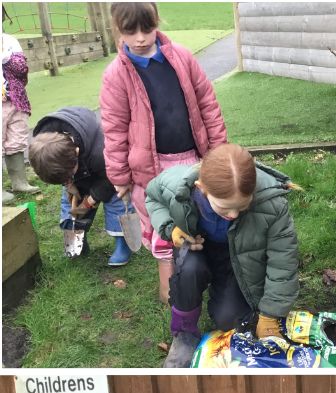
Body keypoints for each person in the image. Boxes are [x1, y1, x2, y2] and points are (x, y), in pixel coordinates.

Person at [100, 2, 227, 301]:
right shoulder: (116, 75)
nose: (141, 38)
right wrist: (120, 176)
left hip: (193, 158)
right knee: (162, 230)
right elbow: (114, 129)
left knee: (198, 218)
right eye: (131, 31)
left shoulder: (180, 57)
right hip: (150, 170)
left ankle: (208, 279)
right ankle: (169, 293)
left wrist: (218, 151)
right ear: (119, 29)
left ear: (157, 22)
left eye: (147, 28)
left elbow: (207, 102)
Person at [145, 142, 300, 368]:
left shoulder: (272, 204)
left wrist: (271, 313)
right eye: (225, 208)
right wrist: (171, 229)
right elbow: (152, 197)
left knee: (229, 320)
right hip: (198, 251)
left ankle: (224, 294)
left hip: (236, 260)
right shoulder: (178, 186)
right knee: (190, 270)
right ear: (202, 188)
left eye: (242, 206)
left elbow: (283, 261)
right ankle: (184, 333)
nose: (234, 214)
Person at [29, 106, 132, 265]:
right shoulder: (46, 150)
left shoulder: (101, 152)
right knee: (69, 208)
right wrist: (69, 184)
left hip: (106, 175)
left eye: (68, 176)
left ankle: (122, 243)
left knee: (116, 200)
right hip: (77, 170)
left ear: (76, 152)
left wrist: (90, 201)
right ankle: (76, 243)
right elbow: (58, 171)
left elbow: (109, 180)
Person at [2, 24, 40, 203]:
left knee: (16, 138)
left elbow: (21, 68)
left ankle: (19, 182)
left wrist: (6, 56)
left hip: (15, 98)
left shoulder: (9, 40)